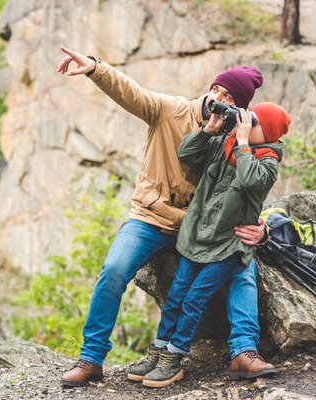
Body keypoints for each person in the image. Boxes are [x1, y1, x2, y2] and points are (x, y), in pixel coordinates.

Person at [56, 46, 274, 388]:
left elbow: (248, 188)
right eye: (218, 89)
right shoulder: (170, 110)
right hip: (151, 218)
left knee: (243, 264)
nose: (218, 99)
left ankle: (244, 352)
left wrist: (263, 227)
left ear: (240, 107)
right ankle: (91, 359)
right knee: (113, 270)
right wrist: (95, 68)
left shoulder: (237, 137)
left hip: (202, 228)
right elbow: (132, 93)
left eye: (230, 97)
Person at [139, 103, 291, 388]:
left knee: (195, 298)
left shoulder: (268, 162)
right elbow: (186, 154)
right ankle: (159, 349)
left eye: (252, 122)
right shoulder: (223, 144)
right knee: (176, 296)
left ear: (267, 132)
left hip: (228, 246)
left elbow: (249, 180)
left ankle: (174, 357)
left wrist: (244, 143)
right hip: (197, 238)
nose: (244, 124)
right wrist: (208, 130)